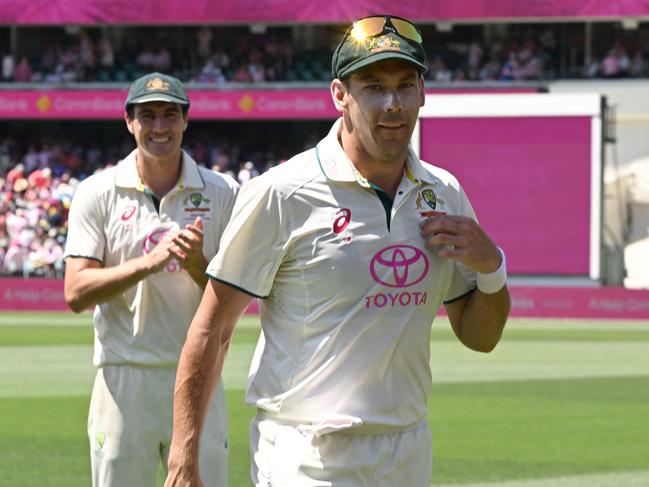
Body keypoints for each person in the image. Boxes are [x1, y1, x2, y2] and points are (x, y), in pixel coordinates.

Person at [166, 15, 511, 487]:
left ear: (423, 93)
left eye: (405, 86)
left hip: (408, 450)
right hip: (305, 454)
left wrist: (492, 268)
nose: (392, 104)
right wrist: (183, 459)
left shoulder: (443, 192)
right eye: (372, 86)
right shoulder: (282, 191)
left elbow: (480, 337)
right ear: (339, 95)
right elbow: (212, 327)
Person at [63, 72, 238, 487]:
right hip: (124, 378)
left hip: (200, 375)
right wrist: (149, 262)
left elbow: (237, 297)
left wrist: (197, 264)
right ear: (129, 121)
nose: (159, 127)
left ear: (185, 120)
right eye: (148, 116)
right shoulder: (98, 191)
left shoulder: (222, 192)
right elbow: (75, 291)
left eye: (169, 115)